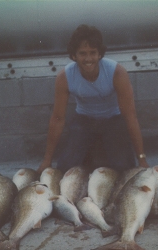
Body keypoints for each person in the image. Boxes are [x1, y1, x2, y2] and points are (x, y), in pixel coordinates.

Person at [37, 24, 148, 174]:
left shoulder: (116, 72)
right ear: (74, 55)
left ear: (100, 54)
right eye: (82, 53)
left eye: (93, 53)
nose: (88, 59)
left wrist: (141, 159)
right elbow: (57, 118)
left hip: (113, 119)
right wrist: (47, 160)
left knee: (124, 167)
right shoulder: (65, 77)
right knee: (65, 167)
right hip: (83, 119)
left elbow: (130, 116)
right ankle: (85, 157)